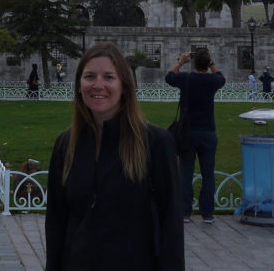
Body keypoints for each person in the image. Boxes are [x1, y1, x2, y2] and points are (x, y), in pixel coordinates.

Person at [45, 43, 183, 270]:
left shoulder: (156, 143)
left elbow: (171, 224)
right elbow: (57, 223)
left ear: (124, 86)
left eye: (109, 77)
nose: (98, 85)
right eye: (90, 76)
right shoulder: (65, 145)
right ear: (79, 85)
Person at [165, 48, 225, 224]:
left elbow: (169, 77)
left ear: (193, 63)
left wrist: (180, 61)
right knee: (208, 174)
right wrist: (211, 63)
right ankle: (207, 213)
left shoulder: (186, 78)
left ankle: (185, 212)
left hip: (188, 132)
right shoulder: (213, 80)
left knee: (186, 172)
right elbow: (222, 77)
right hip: (207, 131)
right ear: (207, 64)